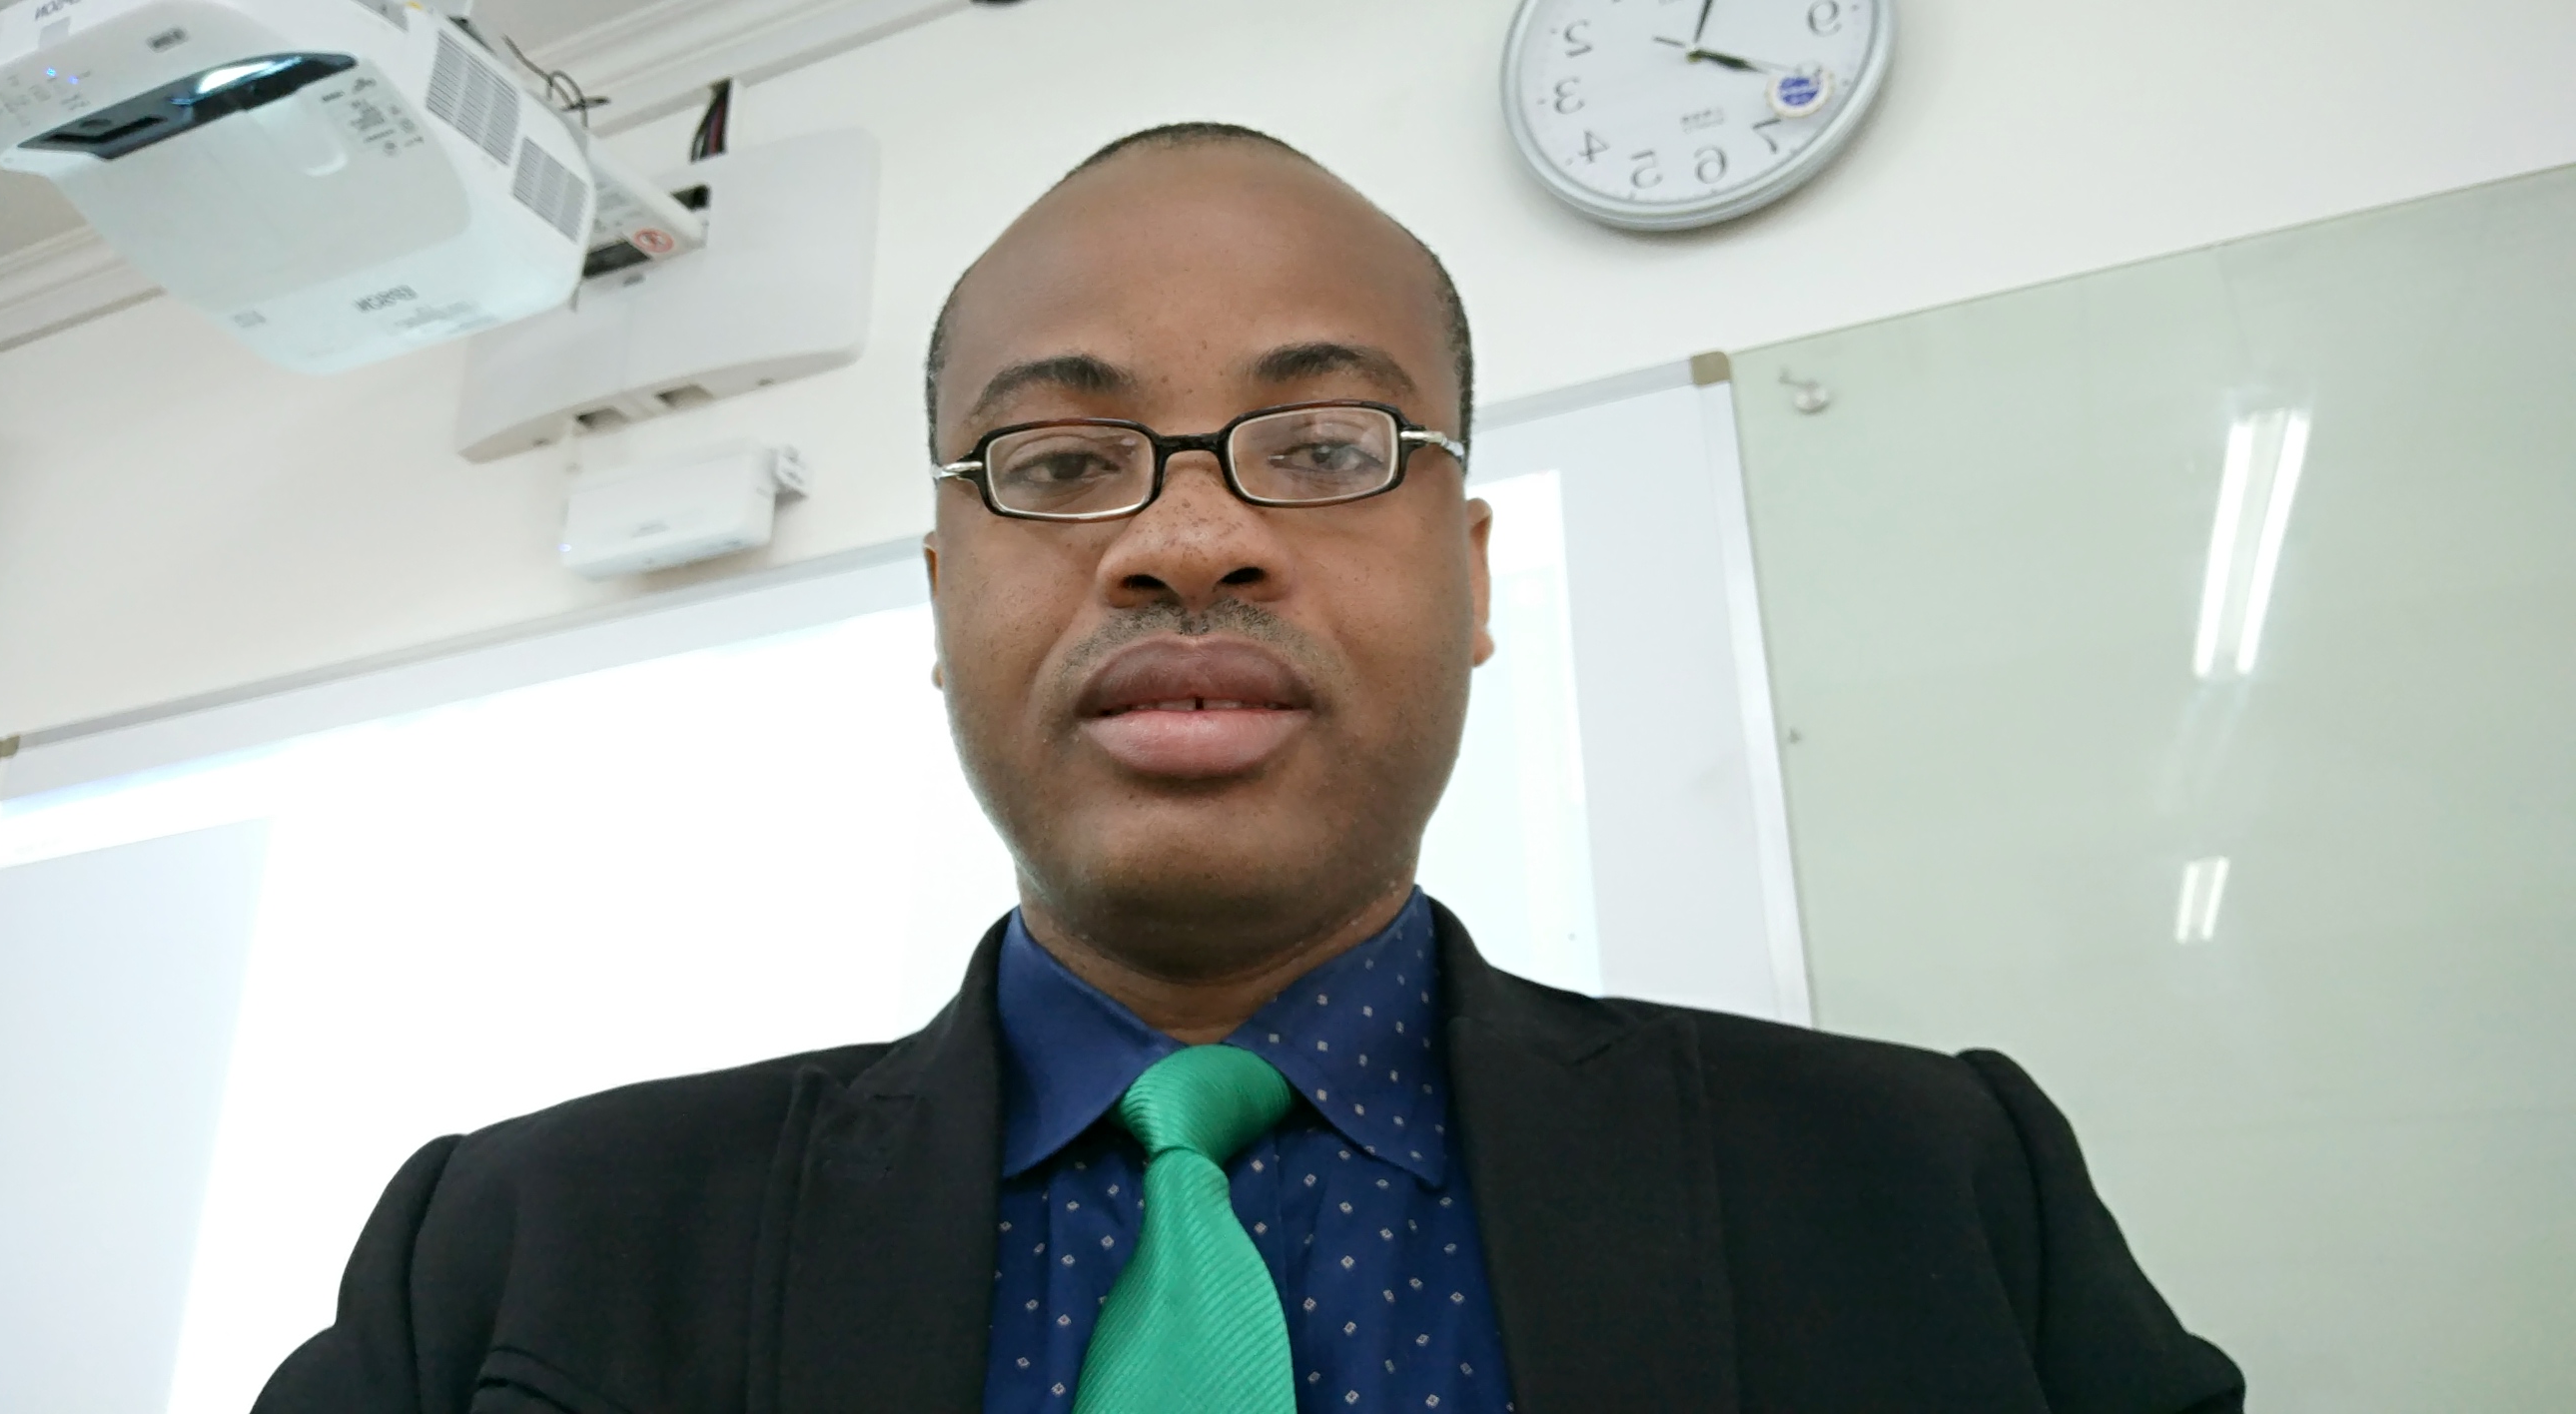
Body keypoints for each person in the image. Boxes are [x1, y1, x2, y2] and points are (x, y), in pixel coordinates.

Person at [256, 124, 2243, 1414]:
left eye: (1323, 449)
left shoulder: (1933, 1185)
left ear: (1475, 577)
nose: (1187, 540)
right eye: (1058, 463)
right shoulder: (516, 1244)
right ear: (944, 596)